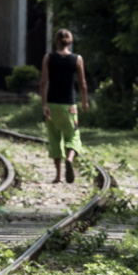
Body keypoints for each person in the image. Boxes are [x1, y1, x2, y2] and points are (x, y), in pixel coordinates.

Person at [40, 29, 89, 183]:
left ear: (55, 41)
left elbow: (43, 82)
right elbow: (82, 83)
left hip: (52, 105)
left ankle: (58, 175)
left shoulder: (48, 58)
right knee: (73, 136)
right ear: (70, 42)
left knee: (54, 138)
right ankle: (70, 158)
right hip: (69, 106)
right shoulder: (77, 59)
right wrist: (84, 101)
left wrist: (44, 104)